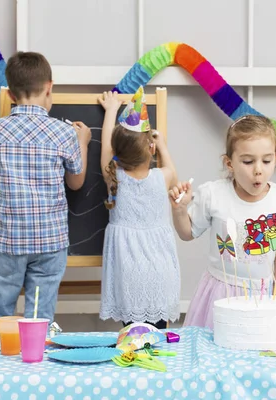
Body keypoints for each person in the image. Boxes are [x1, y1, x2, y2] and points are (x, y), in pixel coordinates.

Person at [0, 51, 91, 357]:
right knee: (39, 317)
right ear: (49, 87)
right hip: (49, 241)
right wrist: (83, 142)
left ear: (10, 93)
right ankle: (33, 377)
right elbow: (76, 182)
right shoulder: (64, 133)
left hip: (7, 240)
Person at [169, 115, 276, 329]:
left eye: (266, 160)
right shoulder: (213, 194)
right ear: (229, 163)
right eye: (248, 161)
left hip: (263, 295)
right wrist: (180, 210)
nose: (258, 169)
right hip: (220, 294)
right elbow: (187, 233)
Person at [98, 87, 180, 329]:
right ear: (151, 149)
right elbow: (174, 175)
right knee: (158, 337)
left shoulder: (114, 178)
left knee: (132, 337)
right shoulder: (162, 177)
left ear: (117, 152)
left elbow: (105, 149)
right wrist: (163, 145)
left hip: (129, 273)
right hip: (159, 273)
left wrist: (111, 111)